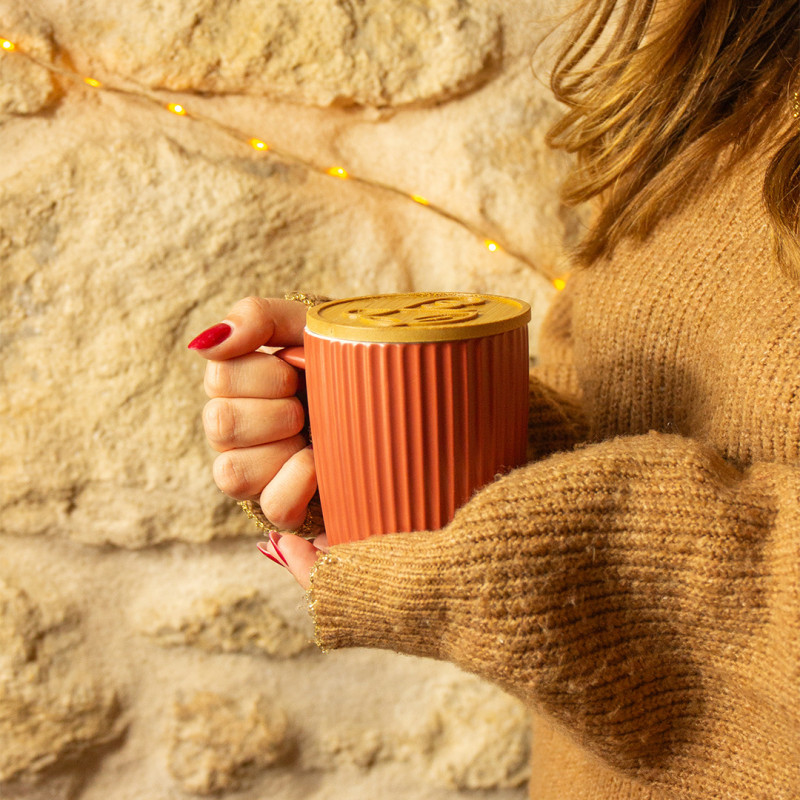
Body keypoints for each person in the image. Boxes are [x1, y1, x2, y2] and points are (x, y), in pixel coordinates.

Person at [188, 1, 800, 797]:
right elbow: (625, 428)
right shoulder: (707, 51)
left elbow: (620, 541)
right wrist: (397, 433)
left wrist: (587, 555)